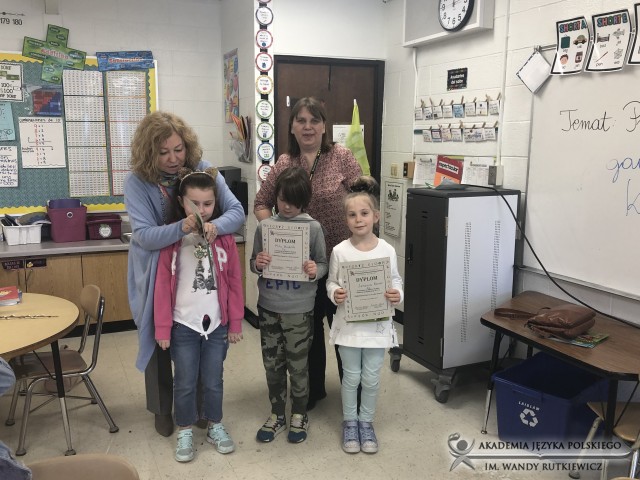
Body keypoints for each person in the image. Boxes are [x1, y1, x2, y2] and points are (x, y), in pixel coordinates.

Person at [124, 111, 244, 437]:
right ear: (148, 153)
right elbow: (145, 236)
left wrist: (215, 226)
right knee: (159, 338)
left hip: (197, 271)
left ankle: (200, 407)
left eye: (178, 149)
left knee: (200, 338)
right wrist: (182, 227)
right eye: (163, 152)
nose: (173, 158)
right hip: (155, 273)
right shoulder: (137, 182)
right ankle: (163, 409)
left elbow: (236, 212)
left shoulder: (204, 170)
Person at [254, 97, 362, 410]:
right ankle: (313, 392)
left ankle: (352, 393)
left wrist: (366, 244)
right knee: (310, 332)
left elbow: (363, 199)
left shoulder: (341, 156)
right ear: (291, 126)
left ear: (324, 126)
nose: (308, 127)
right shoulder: (284, 163)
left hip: (341, 262)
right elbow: (261, 204)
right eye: (300, 120)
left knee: (344, 330)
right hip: (303, 269)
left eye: (314, 120)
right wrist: (275, 236)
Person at [154, 167, 244, 463]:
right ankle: (184, 429)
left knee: (214, 380)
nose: (201, 210)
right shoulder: (173, 241)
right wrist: (163, 329)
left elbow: (234, 283)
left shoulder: (224, 239)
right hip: (183, 325)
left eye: (208, 204)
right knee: (184, 381)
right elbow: (162, 287)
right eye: (195, 203)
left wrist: (235, 322)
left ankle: (215, 424)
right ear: (182, 202)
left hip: (216, 326)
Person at [250, 166, 328, 444]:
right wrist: (258, 263)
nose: (287, 206)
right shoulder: (266, 227)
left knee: (298, 366)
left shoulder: (313, 228)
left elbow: (323, 263)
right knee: (272, 365)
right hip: (269, 306)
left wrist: (314, 270)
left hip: (299, 309)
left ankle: (299, 413)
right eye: (282, 199)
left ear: (304, 200)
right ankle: (276, 413)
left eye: (294, 202)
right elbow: (253, 263)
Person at [326, 176, 403, 454]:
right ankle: (350, 422)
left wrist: (397, 294)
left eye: (364, 213)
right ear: (346, 219)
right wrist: (335, 293)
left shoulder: (387, 250)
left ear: (376, 216)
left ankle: (366, 422)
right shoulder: (339, 251)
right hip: (349, 328)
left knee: (371, 378)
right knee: (351, 377)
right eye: (352, 215)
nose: (359, 219)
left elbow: (396, 280)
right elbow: (331, 282)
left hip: (377, 328)